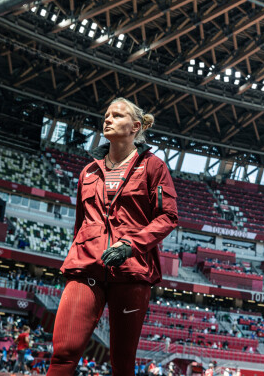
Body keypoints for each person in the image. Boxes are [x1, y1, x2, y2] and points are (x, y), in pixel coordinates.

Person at [47, 98, 179, 376]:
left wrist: (131, 245)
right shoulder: (88, 171)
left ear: (135, 127)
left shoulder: (154, 167)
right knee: (63, 353)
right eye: (106, 115)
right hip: (86, 268)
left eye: (117, 116)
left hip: (131, 273)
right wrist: (78, 255)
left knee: (122, 362)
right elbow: (81, 223)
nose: (107, 119)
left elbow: (168, 217)